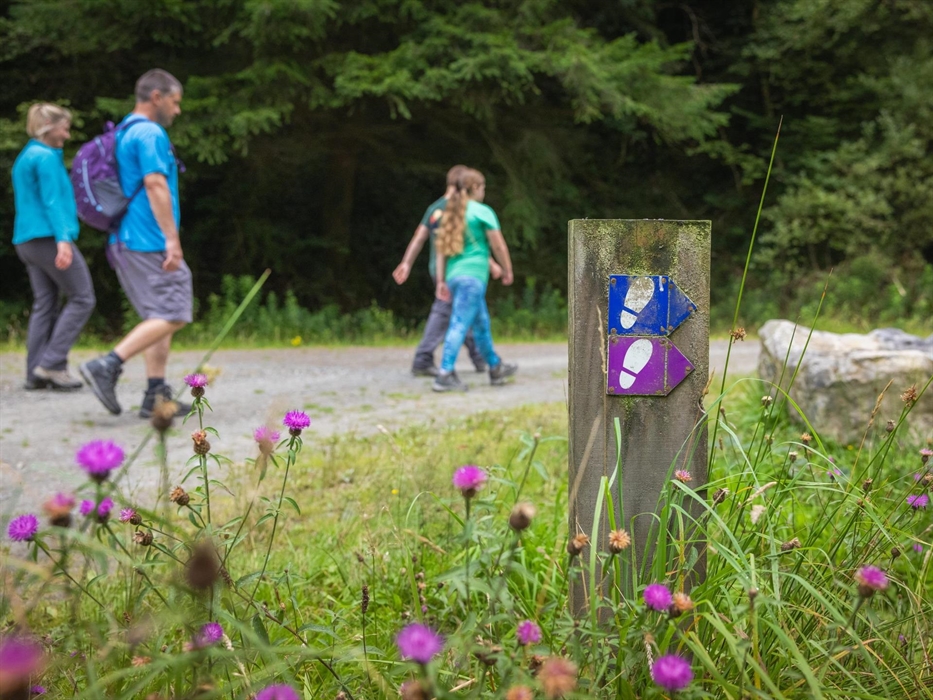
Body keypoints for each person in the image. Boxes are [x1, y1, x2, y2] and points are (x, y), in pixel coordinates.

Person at [80, 69, 191, 418]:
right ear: (157, 97)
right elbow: (155, 184)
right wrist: (172, 239)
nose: (177, 111)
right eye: (174, 102)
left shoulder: (126, 129)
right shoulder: (148, 132)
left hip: (126, 238)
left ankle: (155, 395)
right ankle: (107, 365)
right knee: (175, 311)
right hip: (148, 239)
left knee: (158, 313)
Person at [12, 104, 95, 391]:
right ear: (48, 125)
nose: (67, 134)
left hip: (26, 240)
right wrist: (63, 239)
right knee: (83, 297)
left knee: (45, 303)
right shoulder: (45, 157)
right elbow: (51, 201)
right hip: (48, 237)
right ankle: (52, 363)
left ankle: (35, 373)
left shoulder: (26, 156)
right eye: (64, 127)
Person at [393, 165, 500, 376]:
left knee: (466, 311)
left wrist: (406, 262)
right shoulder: (458, 208)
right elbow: (471, 243)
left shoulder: (435, 208)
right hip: (452, 271)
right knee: (448, 313)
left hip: (444, 270)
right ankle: (425, 359)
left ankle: (482, 359)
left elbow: (420, 237)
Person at [433, 169, 517, 392]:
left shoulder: (451, 213)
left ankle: (495, 366)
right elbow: (498, 245)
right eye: (483, 187)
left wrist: (441, 280)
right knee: (459, 323)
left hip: (454, 276)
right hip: (473, 277)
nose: (484, 191)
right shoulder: (482, 212)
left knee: (480, 324)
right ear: (476, 188)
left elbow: (440, 251)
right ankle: (445, 373)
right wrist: (507, 269)